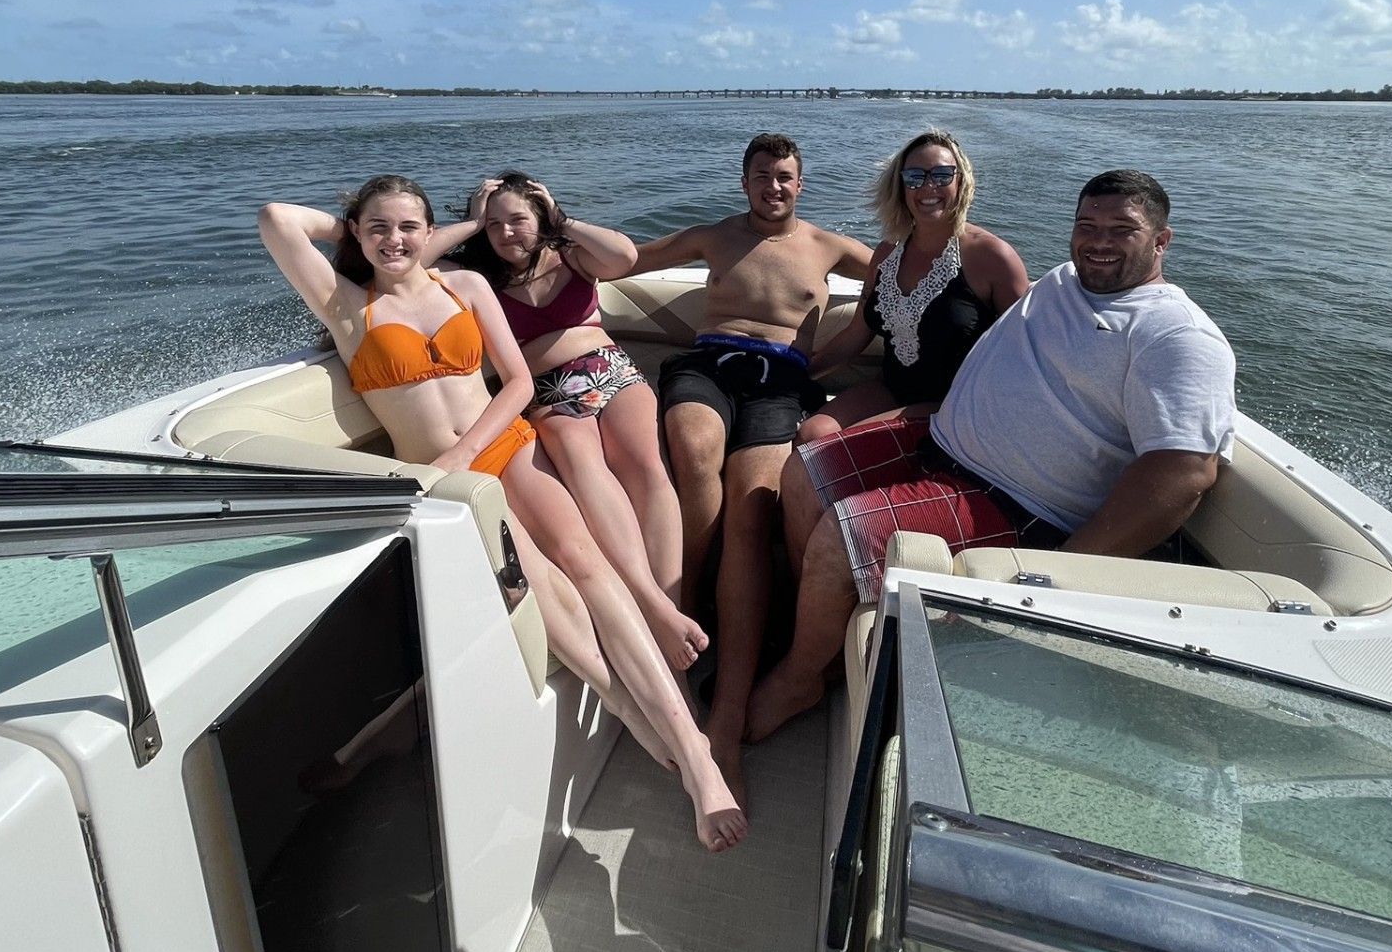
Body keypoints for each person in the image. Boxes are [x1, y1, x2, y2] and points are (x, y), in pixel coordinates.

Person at [258, 175, 746, 852]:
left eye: (409, 228)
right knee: (551, 591)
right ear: (356, 232)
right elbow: (277, 217)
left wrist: (465, 448)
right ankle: (634, 713)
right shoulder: (345, 303)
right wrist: (375, 232)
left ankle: (695, 757)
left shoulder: (467, 287)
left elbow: (518, 382)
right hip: (455, 486)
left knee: (592, 567)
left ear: (430, 233)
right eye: (378, 228)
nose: (394, 240)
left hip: (504, 450)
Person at [746, 169, 1236, 743]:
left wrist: (1057, 573)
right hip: (942, 442)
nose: (1098, 241)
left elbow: (1182, 474)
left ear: (1162, 240)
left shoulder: (1174, 335)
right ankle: (824, 633)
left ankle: (802, 676)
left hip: (1013, 503)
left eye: (1121, 229)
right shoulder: (1060, 283)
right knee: (802, 471)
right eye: (1087, 226)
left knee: (841, 534)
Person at [631, 132, 873, 803]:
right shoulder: (713, 237)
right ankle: (687, 602)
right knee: (694, 448)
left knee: (754, 504)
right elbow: (623, 260)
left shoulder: (829, 247)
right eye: (763, 176)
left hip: (782, 382)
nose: (774, 187)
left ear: (802, 183)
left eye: (785, 177)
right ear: (744, 182)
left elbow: (906, 266)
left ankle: (729, 713)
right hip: (707, 365)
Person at [426, 171, 706, 674]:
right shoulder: (476, 279)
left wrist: (558, 218)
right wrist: (471, 221)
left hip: (609, 369)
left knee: (647, 469)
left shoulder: (573, 256)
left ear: (541, 217)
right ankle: (653, 605)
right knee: (584, 466)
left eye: (519, 219)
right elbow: (414, 262)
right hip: (547, 389)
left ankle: (670, 604)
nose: (509, 232)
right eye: (495, 225)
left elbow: (625, 257)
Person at [781, 130, 1030, 583]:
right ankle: (806, 581)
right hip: (893, 386)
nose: (927, 188)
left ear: (961, 182)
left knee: (830, 452)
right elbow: (859, 332)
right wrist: (798, 369)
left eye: (941, 175)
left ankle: (843, 571)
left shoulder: (990, 257)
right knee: (812, 433)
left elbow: (1028, 352)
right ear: (900, 185)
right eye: (915, 176)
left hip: (953, 403)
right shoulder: (886, 255)